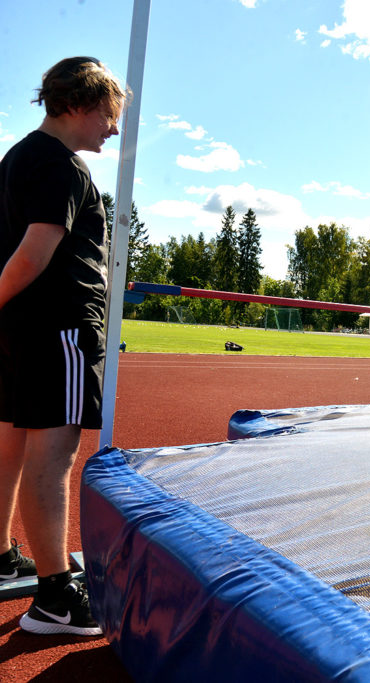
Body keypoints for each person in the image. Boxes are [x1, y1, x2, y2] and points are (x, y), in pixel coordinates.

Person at [0, 56, 128, 637]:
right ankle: (55, 598)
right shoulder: (64, 169)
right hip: (61, 330)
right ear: (78, 103)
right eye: (108, 112)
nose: (113, 126)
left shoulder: (18, 158)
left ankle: (1, 555)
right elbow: (32, 253)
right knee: (53, 459)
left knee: (10, 442)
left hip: (20, 329)